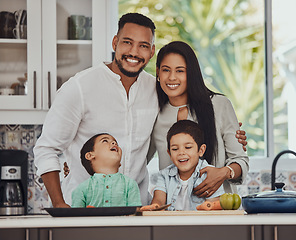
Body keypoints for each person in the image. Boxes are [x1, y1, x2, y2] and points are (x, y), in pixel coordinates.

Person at [34, 13, 246, 208]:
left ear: (151, 51)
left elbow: (151, 147)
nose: (134, 52)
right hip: (86, 210)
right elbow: (47, 149)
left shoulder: (156, 90)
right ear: (115, 42)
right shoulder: (80, 87)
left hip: (136, 211)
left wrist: (232, 141)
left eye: (143, 45)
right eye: (127, 42)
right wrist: (60, 204)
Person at [148, 41, 249, 198]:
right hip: (174, 214)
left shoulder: (219, 105)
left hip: (217, 211)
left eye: (180, 71)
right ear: (158, 73)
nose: (172, 77)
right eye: (166, 70)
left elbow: (241, 161)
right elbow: (139, 156)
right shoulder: (154, 112)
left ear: (192, 73)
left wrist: (223, 173)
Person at [146, 120, 225, 211]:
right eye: (175, 149)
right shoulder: (164, 176)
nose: (181, 153)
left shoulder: (210, 175)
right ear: (169, 153)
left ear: (201, 150)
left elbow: (214, 208)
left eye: (188, 147)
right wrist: (154, 207)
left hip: (201, 224)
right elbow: (158, 201)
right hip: (171, 224)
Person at [72, 133, 141, 208]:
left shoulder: (130, 185)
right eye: (105, 141)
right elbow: (76, 218)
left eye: (116, 143)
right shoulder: (81, 189)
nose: (114, 143)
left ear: (120, 163)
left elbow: (134, 215)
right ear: (90, 155)